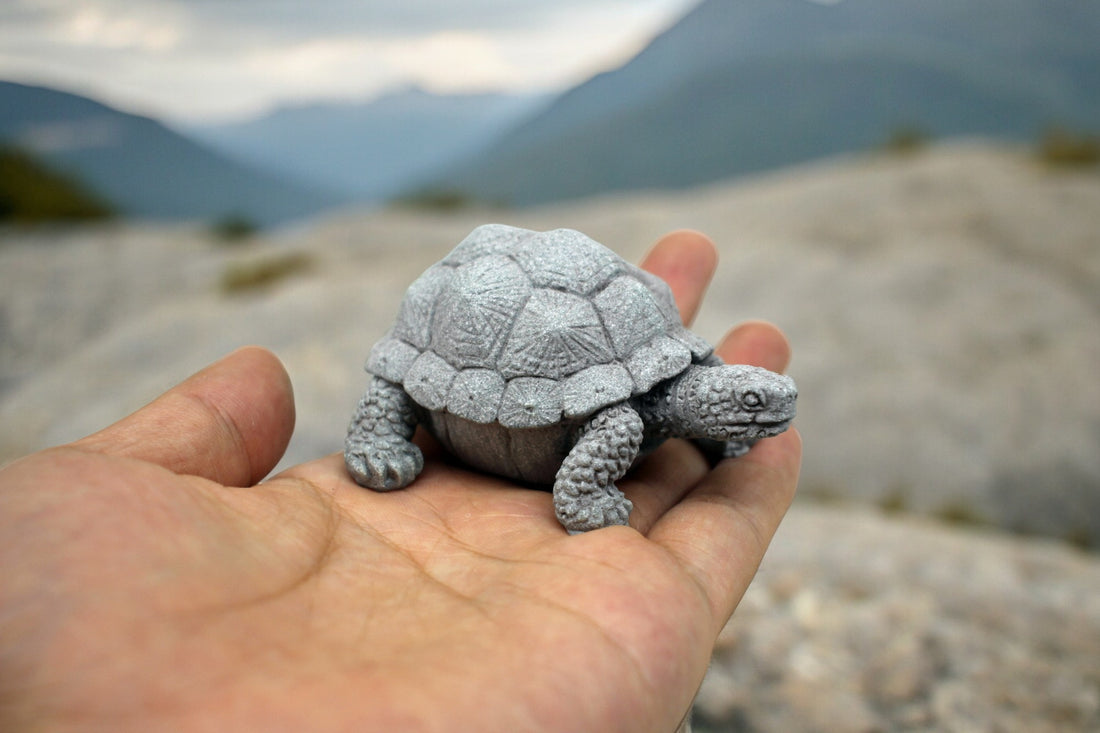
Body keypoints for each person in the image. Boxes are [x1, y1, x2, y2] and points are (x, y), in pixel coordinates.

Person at [0, 230, 801, 732]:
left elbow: (692, 395)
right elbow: (616, 427)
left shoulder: (689, 381)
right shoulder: (625, 420)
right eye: (753, 404)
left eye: (756, 402)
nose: (769, 407)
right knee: (612, 419)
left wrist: (725, 426)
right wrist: (585, 495)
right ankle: (378, 425)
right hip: (486, 341)